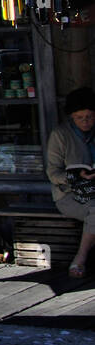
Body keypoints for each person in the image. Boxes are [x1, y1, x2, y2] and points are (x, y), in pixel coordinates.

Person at [45, 86, 95, 278]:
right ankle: (80, 258)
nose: (85, 122)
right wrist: (75, 176)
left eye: (90, 117)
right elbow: (53, 172)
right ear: (71, 117)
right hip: (68, 194)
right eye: (80, 117)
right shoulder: (60, 134)